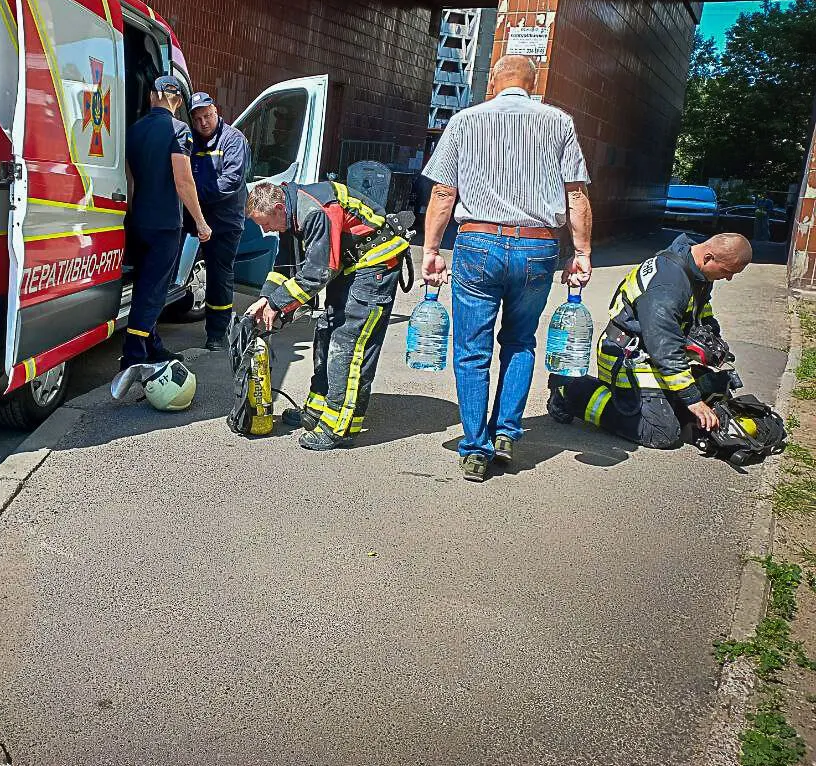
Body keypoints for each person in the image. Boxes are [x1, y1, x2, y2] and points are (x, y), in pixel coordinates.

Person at [421, 54, 593, 483]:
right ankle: (506, 434)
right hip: (537, 247)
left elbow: (444, 192)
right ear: (532, 85)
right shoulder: (559, 123)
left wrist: (431, 249)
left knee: (472, 349)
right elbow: (576, 195)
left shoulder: (465, 121)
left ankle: (474, 448)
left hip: (478, 242)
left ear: (494, 81)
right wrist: (583, 252)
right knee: (520, 341)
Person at [243, 180, 410, 451]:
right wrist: (266, 298)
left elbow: (318, 273)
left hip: (374, 265)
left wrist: (277, 305)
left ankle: (338, 427)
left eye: (265, 223)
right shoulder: (290, 212)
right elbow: (285, 266)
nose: (265, 231)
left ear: (277, 208)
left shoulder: (315, 210)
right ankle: (317, 410)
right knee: (326, 332)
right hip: (351, 264)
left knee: (348, 344)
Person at [548, 232, 752, 448]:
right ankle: (569, 391)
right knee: (661, 432)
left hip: (652, 351)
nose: (728, 278)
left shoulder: (694, 269)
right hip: (628, 357)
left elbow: (700, 310)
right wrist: (692, 399)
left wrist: (711, 336)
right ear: (709, 258)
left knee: (711, 391)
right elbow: (664, 347)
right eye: (728, 272)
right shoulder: (668, 284)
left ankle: (651, 400)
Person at [122, 75, 211, 370]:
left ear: (152, 96)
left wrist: (134, 215)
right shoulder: (179, 130)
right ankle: (134, 356)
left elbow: (130, 182)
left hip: (139, 220)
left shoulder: (134, 130)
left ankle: (152, 345)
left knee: (144, 287)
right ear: (178, 101)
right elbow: (183, 180)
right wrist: (200, 221)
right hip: (164, 224)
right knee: (154, 290)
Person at [188, 91, 251, 349]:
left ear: (216, 111)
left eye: (208, 116)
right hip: (191, 217)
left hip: (223, 223)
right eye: (198, 118)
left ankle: (217, 333)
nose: (204, 122)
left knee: (219, 276)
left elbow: (231, 182)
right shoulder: (190, 141)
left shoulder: (234, 140)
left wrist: (191, 193)